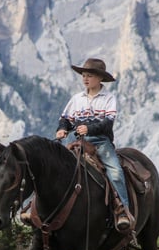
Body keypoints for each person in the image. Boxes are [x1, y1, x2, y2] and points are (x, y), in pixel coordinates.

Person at [55, 58, 134, 232]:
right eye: (83, 75)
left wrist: (88, 128)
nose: (85, 79)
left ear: (100, 78)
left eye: (89, 75)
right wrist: (62, 129)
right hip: (78, 142)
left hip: (101, 143)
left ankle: (122, 211)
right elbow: (66, 119)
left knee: (115, 172)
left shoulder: (108, 98)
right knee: (57, 168)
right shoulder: (76, 99)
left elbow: (108, 123)